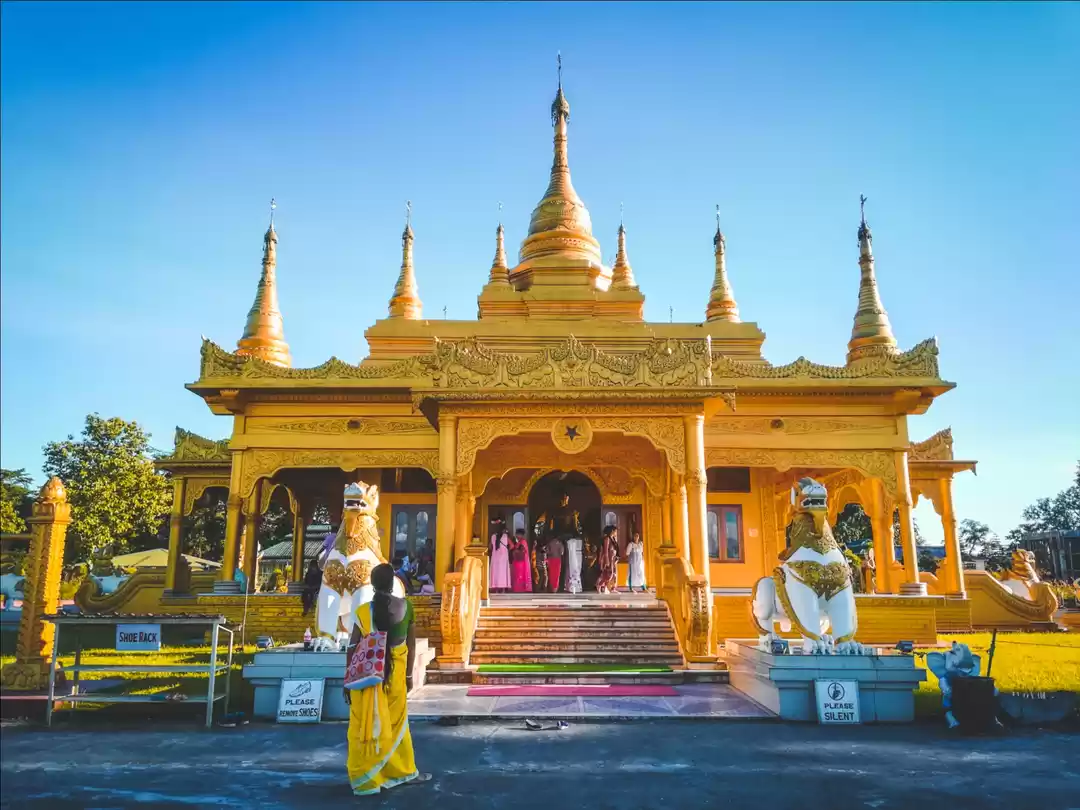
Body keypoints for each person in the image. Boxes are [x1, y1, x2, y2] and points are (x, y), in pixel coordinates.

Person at [344, 563, 431, 795]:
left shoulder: (363, 612)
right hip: (396, 674)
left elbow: (352, 648)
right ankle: (401, 771)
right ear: (393, 583)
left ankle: (366, 779)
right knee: (397, 724)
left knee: (366, 723)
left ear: (372, 584)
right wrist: (410, 675)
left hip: (368, 676)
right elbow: (410, 646)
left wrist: (347, 679)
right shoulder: (406, 607)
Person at [489, 519, 512, 594]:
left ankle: (495, 588)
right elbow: (512, 545)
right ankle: (503, 589)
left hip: (495, 557)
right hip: (504, 557)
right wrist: (506, 549)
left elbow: (490, 547)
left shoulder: (493, 536)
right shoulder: (505, 536)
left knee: (496, 572)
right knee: (503, 572)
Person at [597, 525, 619, 594]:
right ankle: (599, 585)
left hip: (613, 559)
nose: (616, 533)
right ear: (612, 531)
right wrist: (607, 561)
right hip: (609, 559)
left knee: (614, 575)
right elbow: (606, 551)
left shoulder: (614, 539)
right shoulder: (607, 539)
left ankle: (610, 588)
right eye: (615, 531)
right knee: (608, 575)